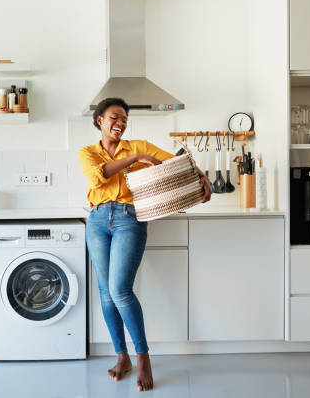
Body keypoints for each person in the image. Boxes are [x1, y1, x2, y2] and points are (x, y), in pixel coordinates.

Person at [79, 97, 211, 391]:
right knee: (106, 294)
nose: (121, 123)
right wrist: (134, 159)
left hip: (129, 218)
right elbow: (98, 177)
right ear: (100, 120)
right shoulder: (88, 152)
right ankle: (122, 356)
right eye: (115, 117)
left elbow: (179, 162)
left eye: (125, 119)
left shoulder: (140, 145)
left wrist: (202, 177)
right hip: (98, 220)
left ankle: (143, 358)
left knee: (120, 290)